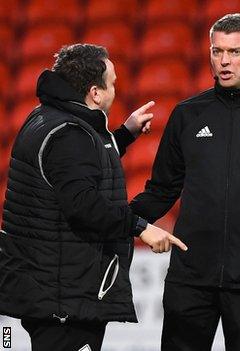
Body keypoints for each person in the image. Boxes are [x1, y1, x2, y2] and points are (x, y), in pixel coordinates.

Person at [0, 44, 187, 351]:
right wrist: (142, 227)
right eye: (112, 84)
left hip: (50, 289)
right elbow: (83, 206)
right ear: (95, 93)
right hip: (63, 298)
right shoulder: (69, 135)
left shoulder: (47, 117)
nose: (115, 90)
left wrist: (124, 134)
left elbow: (78, 166)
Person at [129, 13, 240, 350]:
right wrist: (120, 219)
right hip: (190, 278)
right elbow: (162, 189)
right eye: (217, 51)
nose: (224, 61)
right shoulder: (187, 114)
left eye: (234, 52)